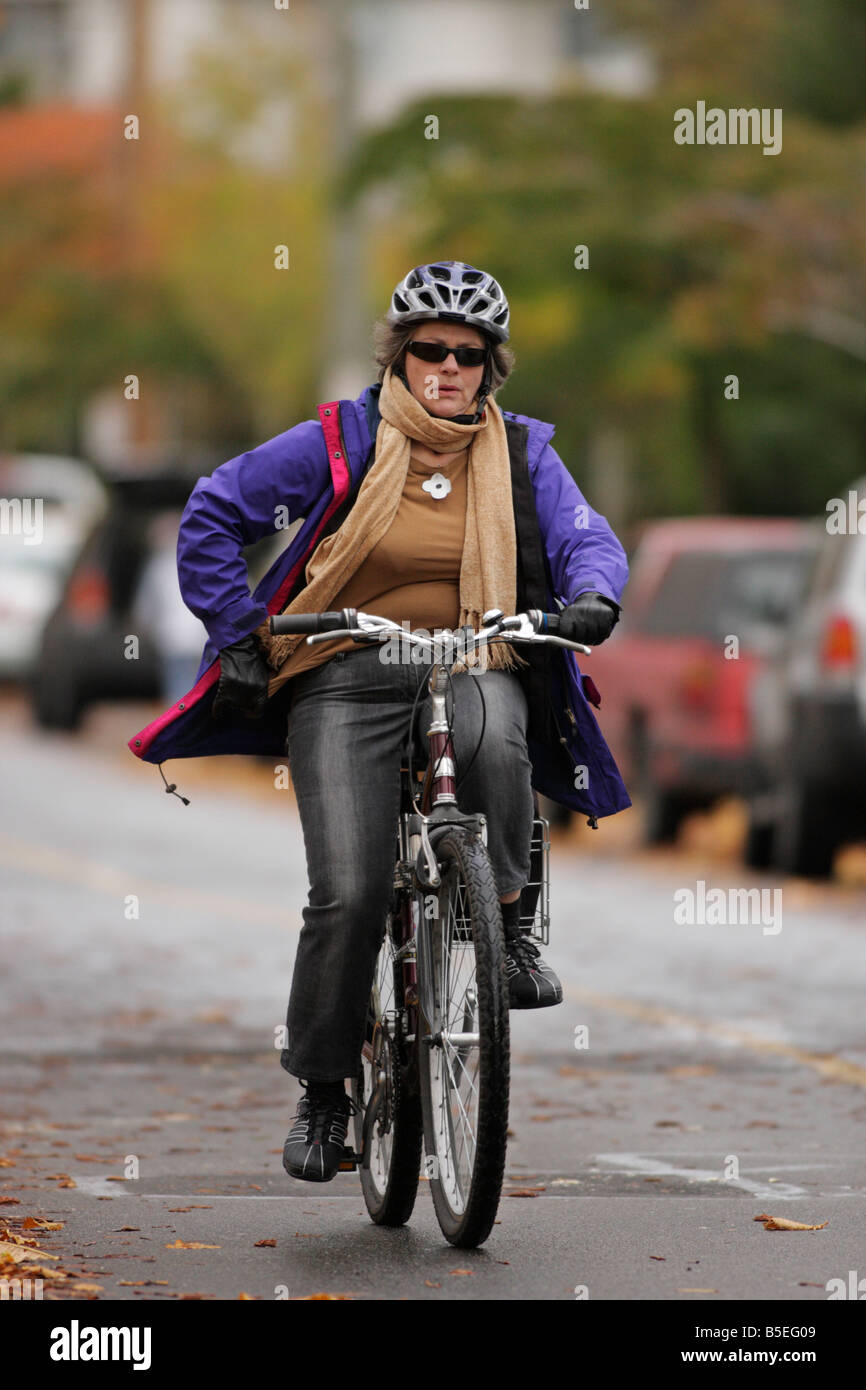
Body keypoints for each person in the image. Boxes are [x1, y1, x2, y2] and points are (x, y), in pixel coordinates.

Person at [127, 260, 630, 1184]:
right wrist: (237, 631)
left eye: (468, 355)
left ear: (491, 367)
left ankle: (508, 927)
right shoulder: (340, 441)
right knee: (352, 890)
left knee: (501, 726)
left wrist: (594, 592)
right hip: (346, 664)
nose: (448, 367)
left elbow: (584, 534)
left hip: (473, 650)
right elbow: (212, 511)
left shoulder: (520, 453)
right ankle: (324, 1090)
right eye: (429, 350)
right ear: (399, 357)